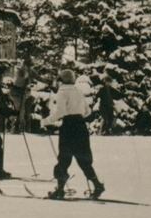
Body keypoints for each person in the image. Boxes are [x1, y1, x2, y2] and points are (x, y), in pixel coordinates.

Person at [41, 68, 105, 199]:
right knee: (84, 159)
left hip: (69, 128)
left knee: (64, 159)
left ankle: (59, 190)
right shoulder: (78, 91)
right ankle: (97, 185)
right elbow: (87, 112)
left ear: (61, 80)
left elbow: (60, 112)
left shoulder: (62, 92)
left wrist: (45, 121)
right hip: (81, 127)